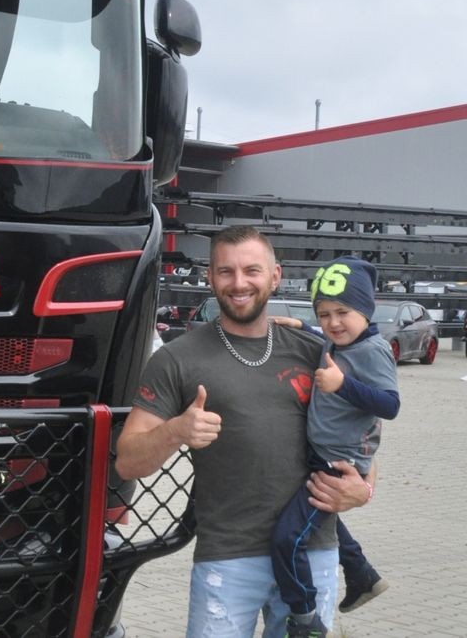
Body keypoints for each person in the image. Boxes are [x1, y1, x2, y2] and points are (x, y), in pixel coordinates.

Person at [115, 225, 373, 638]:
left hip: (313, 552)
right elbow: (127, 460)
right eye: (225, 272)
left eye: (252, 270)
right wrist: (177, 431)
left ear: (274, 276)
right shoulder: (177, 359)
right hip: (228, 558)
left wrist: (364, 489)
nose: (239, 284)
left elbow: (364, 430)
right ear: (209, 276)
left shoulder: (314, 352)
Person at [269, 257, 396, 636]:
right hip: (322, 454)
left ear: (365, 310)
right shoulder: (342, 341)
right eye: (323, 314)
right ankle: (362, 575)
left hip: (337, 464)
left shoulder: (373, 350)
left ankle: (305, 616)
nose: (333, 323)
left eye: (342, 312)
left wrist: (342, 386)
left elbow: (391, 405)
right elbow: (327, 336)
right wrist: (301, 326)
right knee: (324, 519)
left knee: (287, 539)